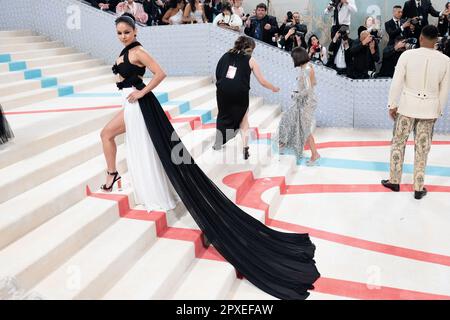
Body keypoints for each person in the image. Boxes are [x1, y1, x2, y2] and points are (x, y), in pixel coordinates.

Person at [101, 13, 320, 300]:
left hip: (142, 102)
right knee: (230, 123)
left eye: (126, 32)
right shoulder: (126, 51)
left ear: (134, 31)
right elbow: (253, 77)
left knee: (114, 137)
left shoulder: (139, 50)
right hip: (161, 100)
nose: (123, 36)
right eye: (119, 33)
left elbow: (162, 73)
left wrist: (142, 94)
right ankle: (145, 178)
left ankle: (119, 175)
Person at [382, 25, 450, 200]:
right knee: (422, 148)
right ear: (436, 41)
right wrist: (439, 111)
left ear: (420, 38)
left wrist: (392, 104)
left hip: (406, 107)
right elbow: (444, 90)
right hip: (429, 110)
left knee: (398, 143)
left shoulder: (407, 55)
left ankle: (395, 181)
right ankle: (419, 187)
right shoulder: (445, 60)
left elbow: (396, 82)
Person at [213, 36, 279, 158]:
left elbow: (218, 72)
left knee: (222, 114)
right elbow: (262, 81)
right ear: (250, 48)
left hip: (223, 90)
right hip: (240, 92)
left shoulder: (225, 55)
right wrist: (273, 88)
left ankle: (218, 142)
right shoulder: (251, 60)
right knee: (243, 119)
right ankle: (245, 147)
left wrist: (222, 85)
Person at [273, 47, 320, 166]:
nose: (293, 60)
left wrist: (296, 95)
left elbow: (308, 89)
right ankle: (283, 144)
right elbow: (314, 83)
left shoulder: (305, 70)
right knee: (289, 118)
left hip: (305, 103)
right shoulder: (309, 66)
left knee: (304, 128)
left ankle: (315, 154)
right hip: (306, 101)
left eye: (293, 58)